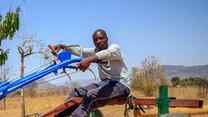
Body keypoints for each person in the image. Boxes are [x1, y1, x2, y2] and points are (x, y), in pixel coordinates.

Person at [50, 29, 130, 117]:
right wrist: (63, 47)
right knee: (75, 93)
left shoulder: (115, 48)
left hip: (120, 84)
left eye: (100, 38)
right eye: (95, 40)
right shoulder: (95, 51)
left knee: (91, 95)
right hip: (104, 83)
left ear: (106, 39)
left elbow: (107, 53)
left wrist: (88, 60)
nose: (98, 41)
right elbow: (81, 51)